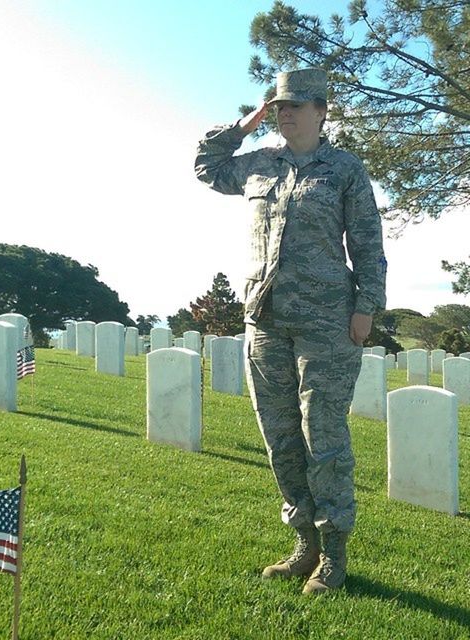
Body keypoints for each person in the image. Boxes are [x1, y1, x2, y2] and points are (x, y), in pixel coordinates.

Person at [194, 67, 386, 594]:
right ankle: (305, 542)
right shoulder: (259, 163)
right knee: (280, 438)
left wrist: (366, 305)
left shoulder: (344, 169)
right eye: (279, 105)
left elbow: (368, 243)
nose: (286, 112)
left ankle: (335, 554)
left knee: (323, 438)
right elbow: (206, 167)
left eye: (296, 104)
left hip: (328, 321)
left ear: (322, 111)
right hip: (266, 319)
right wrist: (245, 123)